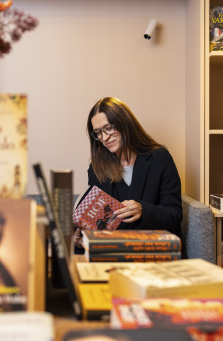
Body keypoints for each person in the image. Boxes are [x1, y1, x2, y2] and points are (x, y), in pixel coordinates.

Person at [75, 97, 183, 251]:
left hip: (153, 249)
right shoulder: (97, 167)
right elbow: (97, 222)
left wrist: (142, 210)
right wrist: (80, 237)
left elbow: (174, 215)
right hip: (114, 252)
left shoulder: (160, 158)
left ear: (124, 123)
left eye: (108, 128)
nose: (104, 138)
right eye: (98, 133)